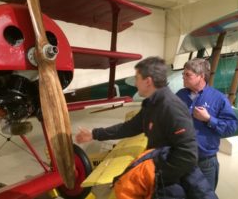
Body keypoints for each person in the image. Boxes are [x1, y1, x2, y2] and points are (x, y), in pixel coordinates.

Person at [75, 56, 199, 198]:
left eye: (137, 78)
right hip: (161, 183)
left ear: (148, 81)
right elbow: (128, 127)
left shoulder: (170, 107)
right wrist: (94, 134)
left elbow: (188, 155)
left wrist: (155, 177)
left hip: (171, 186)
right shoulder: (152, 105)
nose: (135, 82)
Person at [176, 58, 238, 191]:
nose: (184, 78)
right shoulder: (180, 95)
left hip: (205, 163)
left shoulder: (219, 98)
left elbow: (231, 128)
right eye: (183, 74)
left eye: (188, 75)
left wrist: (209, 119)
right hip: (180, 159)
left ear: (201, 76)